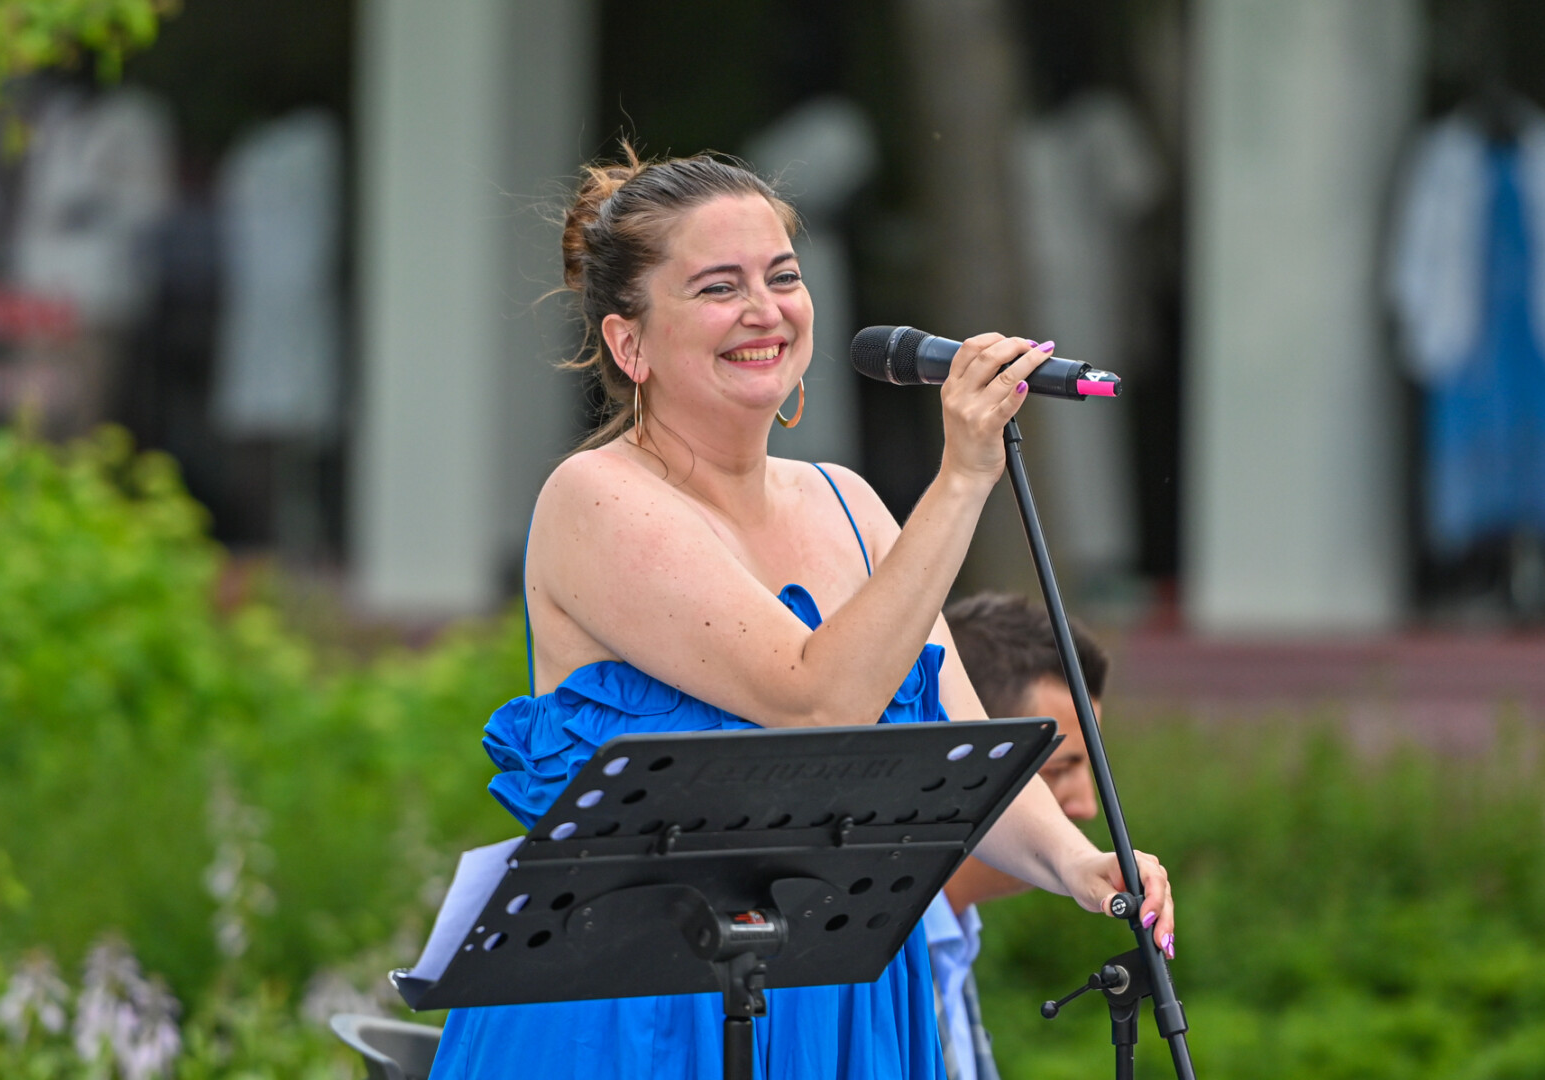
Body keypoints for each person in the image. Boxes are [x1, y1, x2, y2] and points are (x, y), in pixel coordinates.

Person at [428, 146, 1173, 1080]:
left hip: (838, 987)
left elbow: (959, 741)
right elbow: (815, 700)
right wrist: (961, 478)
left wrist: (1076, 864)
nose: (763, 309)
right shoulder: (596, 500)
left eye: (782, 277)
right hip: (643, 1007)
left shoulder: (849, 503)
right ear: (629, 343)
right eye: (718, 287)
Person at [922, 592, 1145, 1080]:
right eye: (1059, 769)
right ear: (964, 758)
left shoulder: (953, 937)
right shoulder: (879, 961)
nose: (1087, 806)